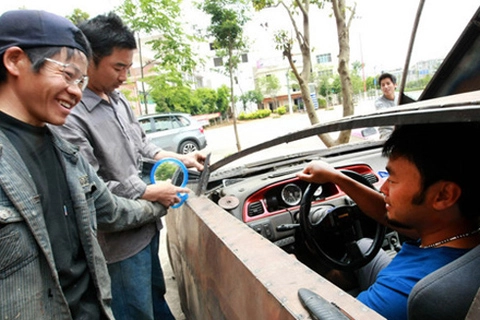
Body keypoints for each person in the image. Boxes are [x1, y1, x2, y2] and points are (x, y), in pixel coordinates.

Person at [0, 9, 183, 320]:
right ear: (16, 61)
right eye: (67, 75)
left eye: (80, 79)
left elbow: (108, 207)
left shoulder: (62, 150)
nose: (75, 90)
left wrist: (159, 204)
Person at [52, 12, 205, 320]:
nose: (124, 76)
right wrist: (149, 191)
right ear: (88, 61)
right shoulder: (71, 116)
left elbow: (143, 147)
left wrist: (179, 159)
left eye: (128, 67)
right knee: (133, 311)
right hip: (117, 245)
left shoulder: (119, 102)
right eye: (118, 67)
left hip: (146, 230)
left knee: (155, 300)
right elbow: (91, 187)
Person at [297, 122, 480, 320]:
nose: (383, 189)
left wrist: (294, 271)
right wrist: (336, 177)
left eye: (392, 180)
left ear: (444, 195)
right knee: (363, 246)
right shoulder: (453, 229)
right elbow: (386, 214)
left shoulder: (401, 296)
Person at [375, 73, 398, 139]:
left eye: (388, 83)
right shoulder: (379, 102)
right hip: (387, 134)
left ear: (395, 85)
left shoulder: (401, 98)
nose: (386, 87)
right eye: (383, 85)